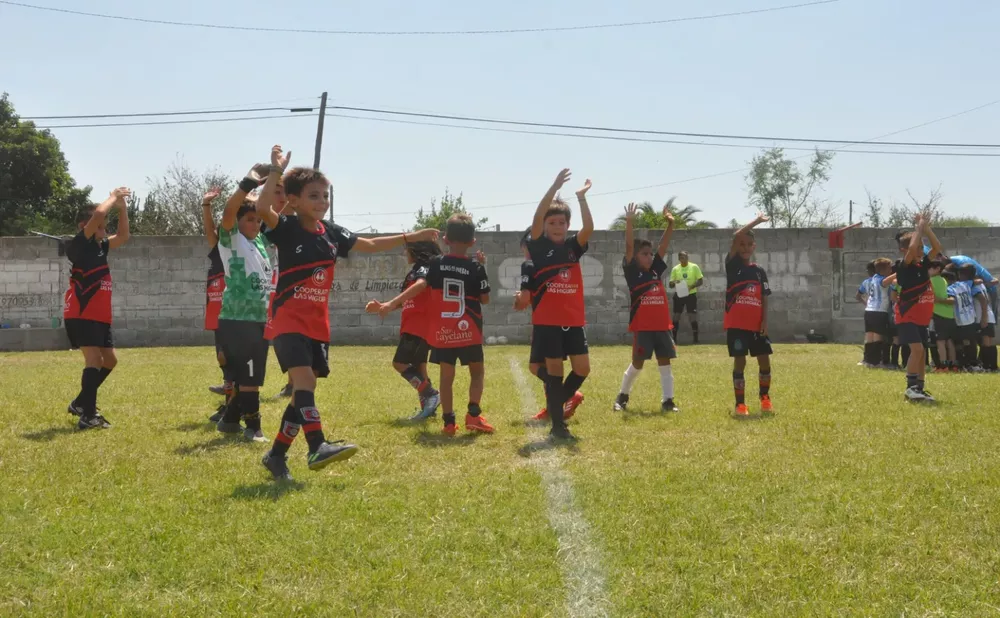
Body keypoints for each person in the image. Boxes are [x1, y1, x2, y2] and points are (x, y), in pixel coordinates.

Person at [255, 145, 439, 480]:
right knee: (304, 381)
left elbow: (368, 245)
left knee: (302, 393)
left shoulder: (333, 233)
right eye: (314, 196)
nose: (322, 202)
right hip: (287, 320)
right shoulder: (285, 227)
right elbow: (262, 206)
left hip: (317, 325)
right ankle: (316, 446)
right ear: (294, 200)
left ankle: (277, 455)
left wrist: (413, 236)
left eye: (325, 195)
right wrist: (275, 171)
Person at [372, 215, 493, 435]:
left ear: (445, 239)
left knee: (446, 379)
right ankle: (473, 416)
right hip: (469, 330)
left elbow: (421, 286)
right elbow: (485, 300)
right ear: (473, 241)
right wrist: (482, 268)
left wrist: (391, 303)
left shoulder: (436, 264)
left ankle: (448, 423)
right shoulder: (476, 268)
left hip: (444, 331)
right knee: (477, 373)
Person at [526, 169, 595, 441]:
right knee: (555, 374)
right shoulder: (539, 247)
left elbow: (588, 228)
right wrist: (553, 186)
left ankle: (558, 405)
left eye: (561, 223)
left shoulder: (572, 247)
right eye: (552, 222)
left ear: (568, 226)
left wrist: (581, 198)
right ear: (545, 225)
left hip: (574, 320)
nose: (557, 226)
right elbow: (536, 217)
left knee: (582, 369)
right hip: (548, 322)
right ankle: (558, 426)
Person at [212, 165, 275, 443]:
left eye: (257, 221)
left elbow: (270, 210)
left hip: (258, 318)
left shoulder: (259, 240)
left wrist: (275, 177)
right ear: (237, 222)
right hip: (238, 319)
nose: (255, 224)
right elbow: (229, 210)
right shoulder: (231, 238)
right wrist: (248, 182)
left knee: (243, 376)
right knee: (250, 377)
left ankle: (229, 421)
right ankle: (254, 428)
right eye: (249, 220)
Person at [64, 188, 131, 430]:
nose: (105, 230)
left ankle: (81, 402)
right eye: (101, 226)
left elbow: (123, 236)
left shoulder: (101, 247)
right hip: (82, 313)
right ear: (87, 225)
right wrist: (113, 196)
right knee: (93, 359)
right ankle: (88, 416)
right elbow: (101, 211)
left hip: (100, 315)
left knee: (110, 360)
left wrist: (122, 208)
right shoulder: (79, 245)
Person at [614, 202, 679, 412]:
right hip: (643, 326)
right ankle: (622, 397)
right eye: (645, 254)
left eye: (650, 254)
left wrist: (671, 225)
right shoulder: (633, 272)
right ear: (635, 257)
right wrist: (630, 222)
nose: (650, 257)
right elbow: (630, 247)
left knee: (665, 363)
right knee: (638, 363)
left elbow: (663, 247)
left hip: (662, 326)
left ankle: (668, 401)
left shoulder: (654, 272)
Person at [514, 229, 583, 423]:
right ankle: (553, 408)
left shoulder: (530, 263)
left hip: (545, 322)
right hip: (563, 320)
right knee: (550, 366)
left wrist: (519, 299)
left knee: (536, 366)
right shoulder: (552, 261)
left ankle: (564, 397)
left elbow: (525, 298)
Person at [369, 240, 441, 421]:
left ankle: (431, 394)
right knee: (419, 367)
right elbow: (405, 300)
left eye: (406, 249)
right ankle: (428, 411)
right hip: (413, 324)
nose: (404, 253)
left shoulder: (423, 268)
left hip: (419, 325)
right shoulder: (413, 272)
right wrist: (383, 306)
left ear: (417, 250)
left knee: (399, 363)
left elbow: (422, 285)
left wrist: (390, 303)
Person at [725, 214, 773, 418]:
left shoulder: (759, 271)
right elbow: (737, 234)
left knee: (764, 361)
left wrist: (764, 321)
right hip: (737, 325)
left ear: (754, 247)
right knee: (740, 362)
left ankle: (764, 397)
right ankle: (740, 404)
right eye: (742, 244)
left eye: (749, 244)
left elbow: (764, 297)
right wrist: (757, 221)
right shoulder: (732, 265)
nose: (745, 248)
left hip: (756, 325)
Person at [894, 215, 942, 401]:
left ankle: (919, 387)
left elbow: (937, 248)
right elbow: (913, 247)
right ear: (904, 250)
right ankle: (910, 387)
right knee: (918, 350)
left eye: (923, 248)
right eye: (918, 247)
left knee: (922, 353)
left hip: (921, 318)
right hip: (907, 315)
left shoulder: (924, 264)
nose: (921, 251)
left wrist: (927, 229)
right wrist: (918, 229)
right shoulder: (903, 265)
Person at [201, 189, 233, 407]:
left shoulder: (238, 250)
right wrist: (206, 206)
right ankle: (228, 384)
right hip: (215, 305)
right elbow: (208, 229)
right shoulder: (217, 248)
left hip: (231, 305)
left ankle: (232, 391)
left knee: (229, 352)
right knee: (221, 353)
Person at [948, 264, 986, 371]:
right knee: (971, 341)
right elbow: (977, 281)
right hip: (970, 317)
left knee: (960, 342)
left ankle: (963, 363)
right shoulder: (966, 284)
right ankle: (973, 363)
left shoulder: (952, 288)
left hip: (960, 319)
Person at [668, 250, 703, 344]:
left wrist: (691, 286)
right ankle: (673, 339)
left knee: (692, 316)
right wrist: (675, 282)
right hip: (679, 294)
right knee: (676, 316)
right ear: (679, 259)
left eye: (686, 257)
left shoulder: (694, 267)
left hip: (691, 294)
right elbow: (670, 284)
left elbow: (700, 281)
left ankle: (695, 339)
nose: (685, 259)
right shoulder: (675, 269)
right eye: (683, 257)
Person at [930, 261, 957, 372]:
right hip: (949, 313)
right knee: (949, 341)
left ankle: (943, 365)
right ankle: (953, 365)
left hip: (938, 313)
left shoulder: (930, 281)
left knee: (940, 341)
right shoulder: (943, 280)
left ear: (936, 269)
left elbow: (933, 298)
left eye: (929, 268)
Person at [974, 277, 997, 371]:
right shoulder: (981, 285)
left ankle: (987, 366)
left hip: (983, 317)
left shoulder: (975, 286)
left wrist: (984, 317)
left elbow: (984, 300)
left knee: (985, 343)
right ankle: (993, 366)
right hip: (988, 316)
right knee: (989, 342)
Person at [855, 261, 876, 365]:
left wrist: (866, 303)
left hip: (869, 310)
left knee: (868, 335)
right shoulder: (882, 281)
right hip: (880, 310)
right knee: (878, 336)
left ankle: (866, 359)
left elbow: (858, 296)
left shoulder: (866, 282)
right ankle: (878, 359)